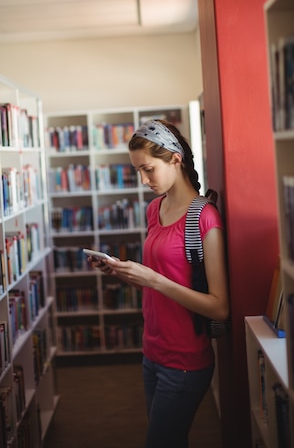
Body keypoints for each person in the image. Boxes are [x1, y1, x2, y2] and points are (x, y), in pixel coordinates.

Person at [88, 119, 229, 448]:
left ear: (175, 159)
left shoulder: (204, 217)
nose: (143, 180)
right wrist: (125, 273)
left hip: (184, 361)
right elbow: (160, 283)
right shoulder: (155, 209)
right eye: (137, 170)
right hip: (152, 352)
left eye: (148, 169)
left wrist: (154, 279)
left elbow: (220, 307)